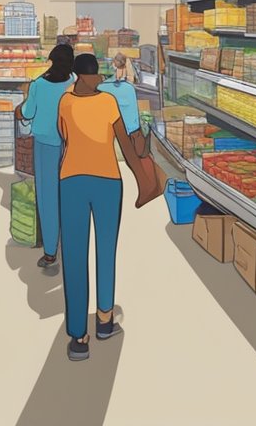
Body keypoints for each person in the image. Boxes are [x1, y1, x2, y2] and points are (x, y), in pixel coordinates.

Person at [56, 54, 161, 362]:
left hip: (72, 181)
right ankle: (104, 320)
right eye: (95, 75)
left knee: (74, 256)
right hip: (106, 183)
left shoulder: (65, 103)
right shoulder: (108, 103)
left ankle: (79, 336)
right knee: (106, 251)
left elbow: (64, 136)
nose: (99, 79)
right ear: (87, 76)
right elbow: (127, 146)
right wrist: (143, 174)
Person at [14, 44, 75, 269]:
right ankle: (71, 248)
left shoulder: (38, 84)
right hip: (72, 145)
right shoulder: (75, 82)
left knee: (48, 199)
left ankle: (50, 253)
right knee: (70, 197)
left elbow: (28, 113)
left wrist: (20, 108)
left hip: (45, 145)